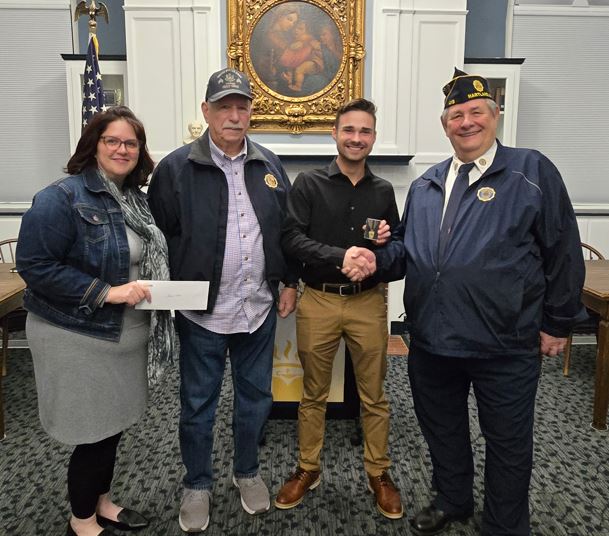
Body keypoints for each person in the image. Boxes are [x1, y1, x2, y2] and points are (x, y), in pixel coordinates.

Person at [374, 68, 587, 536]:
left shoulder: (531, 170)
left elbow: (564, 251)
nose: (466, 122)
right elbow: (408, 252)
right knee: (443, 431)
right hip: (431, 340)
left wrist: (558, 323)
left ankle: (505, 525)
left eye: (476, 112)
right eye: (456, 115)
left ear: (495, 116)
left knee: (508, 442)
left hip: (504, 343)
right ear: (444, 124)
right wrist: (373, 256)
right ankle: (453, 499)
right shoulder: (428, 183)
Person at [147, 68, 298, 533]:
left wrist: (289, 281)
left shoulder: (270, 166)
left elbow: (287, 232)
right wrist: (169, 294)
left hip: (257, 309)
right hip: (201, 314)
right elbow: (159, 235)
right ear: (206, 112)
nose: (234, 116)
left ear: (252, 112)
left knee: (256, 399)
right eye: (224, 106)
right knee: (197, 404)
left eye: (242, 106)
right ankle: (197, 483)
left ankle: (246, 471)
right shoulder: (175, 169)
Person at [16, 106, 175, 536]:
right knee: (92, 432)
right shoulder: (62, 197)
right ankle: (81, 520)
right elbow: (34, 265)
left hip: (125, 333)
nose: (122, 149)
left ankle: (102, 501)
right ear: (94, 144)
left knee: (113, 425)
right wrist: (105, 292)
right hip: (77, 333)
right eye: (112, 141)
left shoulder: (135, 200)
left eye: (131, 142)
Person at [276, 98, 403, 520]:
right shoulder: (308, 184)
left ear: (373, 137)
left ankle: (378, 474)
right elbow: (291, 239)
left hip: (368, 302)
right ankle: (308, 468)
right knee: (312, 393)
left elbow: (398, 247)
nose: (356, 138)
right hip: (320, 300)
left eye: (365, 131)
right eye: (349, 130)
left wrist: (383, 245)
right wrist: (340, 255)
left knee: (375, 395)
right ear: (334, 133)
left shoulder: (383, 191)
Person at [279, 20, 323, 92]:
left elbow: (295, 47)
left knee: (300, 69)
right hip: (303, 59)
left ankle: (298, 86)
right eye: (295, 28)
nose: (296, 30)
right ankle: (289, 80)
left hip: (314, 62)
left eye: (300, 29)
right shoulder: (296, 39)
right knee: (290, 66)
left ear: (307, 31)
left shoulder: (306, 38)